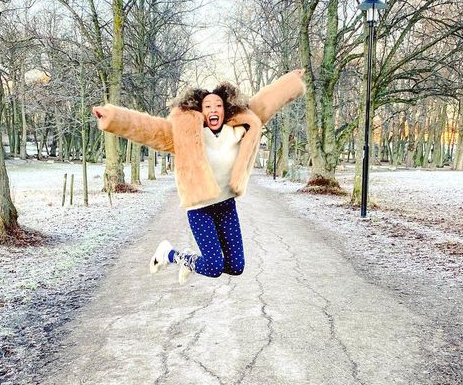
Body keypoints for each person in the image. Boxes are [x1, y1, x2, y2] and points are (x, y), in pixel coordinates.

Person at [93, 68, 305, 283]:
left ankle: (188, 261)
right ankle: (171, 255)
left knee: (235, 267)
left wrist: (291, 82)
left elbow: (266, 102)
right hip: (200, 209)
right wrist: (112, 117)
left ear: (226, 109)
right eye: (208, 106)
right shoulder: (186, 135)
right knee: (213, 267)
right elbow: (146, 128)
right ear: (200, 111)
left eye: (218, 106)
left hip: (226, 205)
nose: (214, 110)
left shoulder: (238, 129)